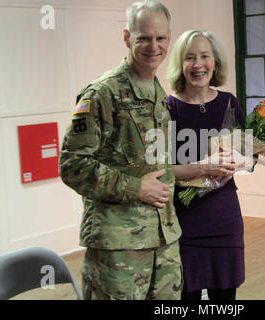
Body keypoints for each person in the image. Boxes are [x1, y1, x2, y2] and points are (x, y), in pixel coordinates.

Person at [59, 0, 183, 300]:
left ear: (169, 38)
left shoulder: (157, 92)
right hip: (118, 248)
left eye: (160, 38)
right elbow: (72, 164)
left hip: (164, 241)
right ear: (127, 37)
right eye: (144, 38)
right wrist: (135, 188)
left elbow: (155, 164)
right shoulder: (102, 93)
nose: (154, 46)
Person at [166, 30, 254, 300]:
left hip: (224, 220)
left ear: (215, 61)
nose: (198, 64)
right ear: (180, 65)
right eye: (189, 58)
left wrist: (242, 161)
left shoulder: (229, 102)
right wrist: (205, 166)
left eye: (204, 56)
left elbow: (251, 157)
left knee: (224, 300)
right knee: (186, 298)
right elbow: (162, 172)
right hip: (185, 221)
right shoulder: (169, 108)